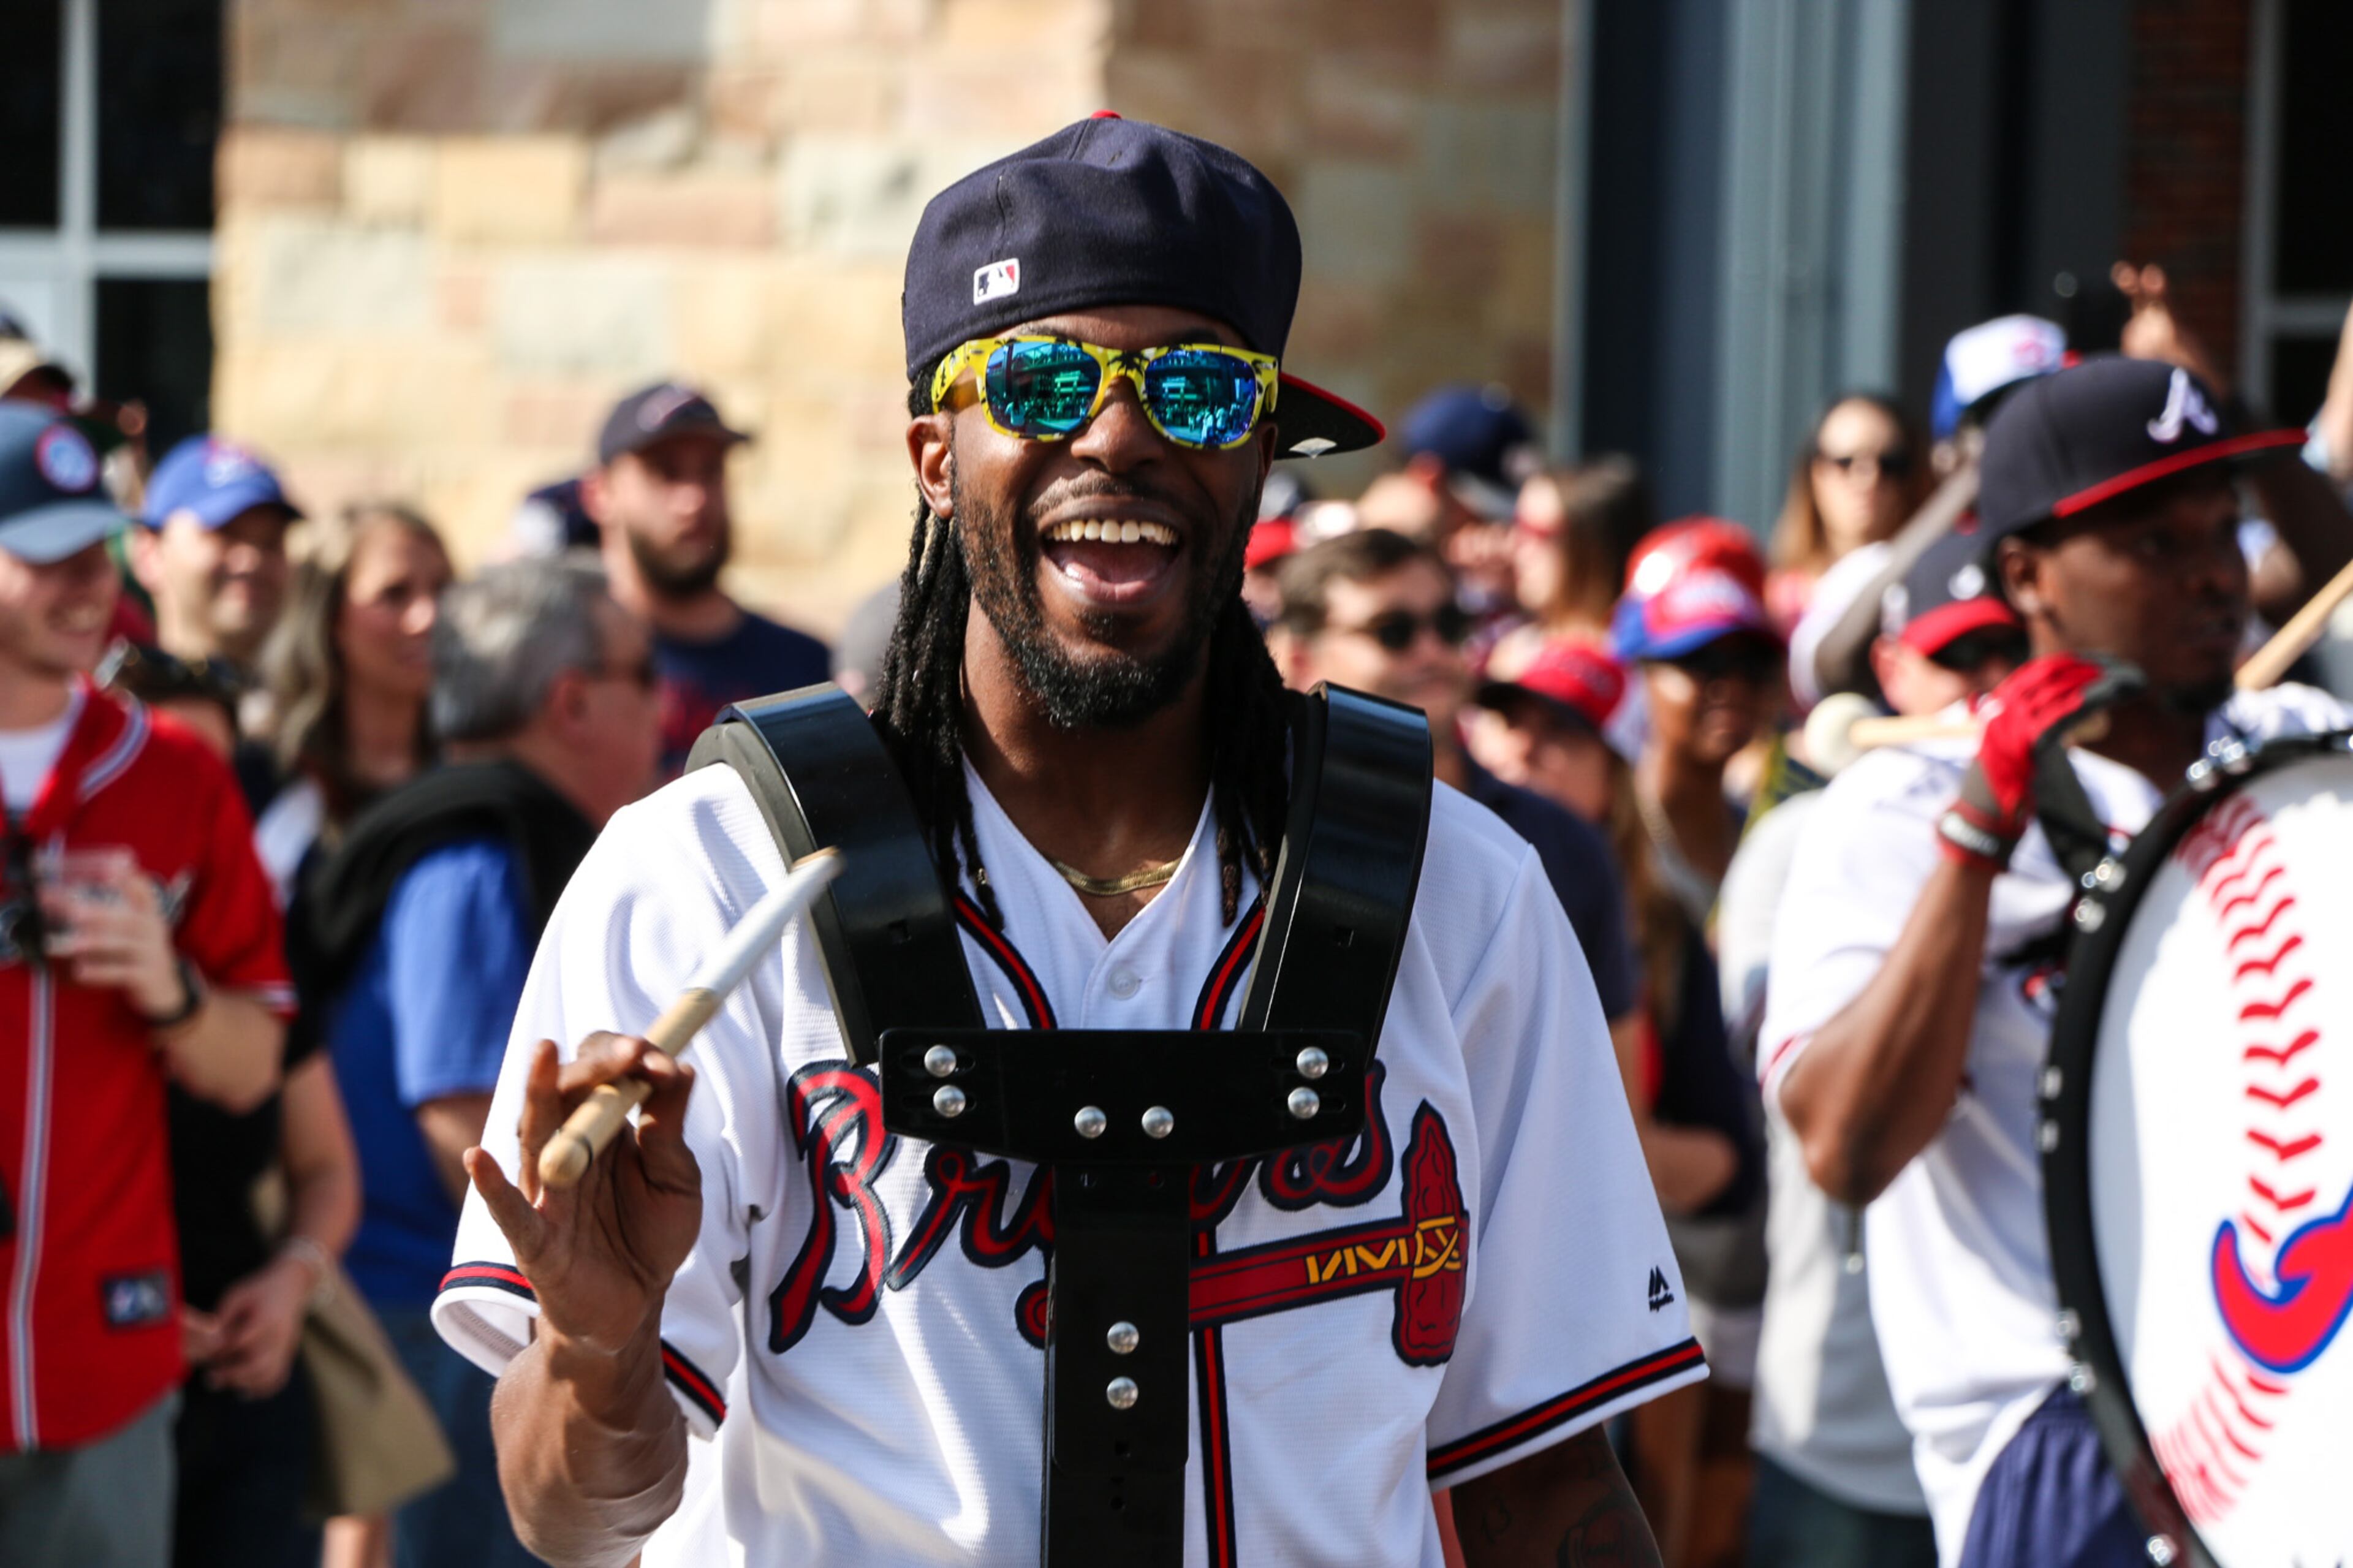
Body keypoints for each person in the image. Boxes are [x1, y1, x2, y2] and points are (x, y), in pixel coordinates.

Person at [435, 115, 1700, 1567]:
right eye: (1040, 380)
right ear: (932, 449)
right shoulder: (716, 875)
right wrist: (600, 1345)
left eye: (1199, 388)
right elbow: (576, 1510)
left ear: (1265, 451)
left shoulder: (1455, 894)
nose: (1117, 434)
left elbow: (1546, 1487)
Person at [1764, 356, 2338, 1566]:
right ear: (2027, 572)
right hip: (2066, 1435)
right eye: (2148, 537)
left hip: (2310, 1394)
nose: (2209, 569)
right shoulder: (1897, 807)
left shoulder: (2300, 756)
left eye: (2216, 525)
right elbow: (1847, 1146)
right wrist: (1979, 839)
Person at [297, 559, 657, 1568]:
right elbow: (466, 1121)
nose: (667, 700)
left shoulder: (500, 838)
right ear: (573, 700)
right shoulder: (472, 858)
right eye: (646, 669)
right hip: (439, 1319)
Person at [0, 403, 292, 1567]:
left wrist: (168, 990)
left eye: (98, 549)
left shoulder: (173, 773)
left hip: (103, 1367)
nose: (87, 584)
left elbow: (256, 1058)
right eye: (45, 553)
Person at [1725, 526, 2024, 1568]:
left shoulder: (2103, 822)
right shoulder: (1798, 841)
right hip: (1849, 1421)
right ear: (1893, 670)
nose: (1989, 690)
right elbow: (1802, 1093)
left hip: (2032, 1421)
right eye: (1960, 658)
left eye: (2013, 655)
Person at [1266, 527, 1641, 1042]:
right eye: (1393, 631)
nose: (1432, 651)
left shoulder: (1562, 843)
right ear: (1298, 658)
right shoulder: (1250, 827)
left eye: (1448, 624)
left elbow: (1612, 1083)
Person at [580, 382, 829, 775]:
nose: (694, 499)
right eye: (666, 472)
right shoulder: (572, 671)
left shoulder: (804, 673)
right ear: (599, 495)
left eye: (710, 471)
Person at [249, 502, 453, 903]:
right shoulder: (267, 780)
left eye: (443, 590)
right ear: (329, 617)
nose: (429, 615)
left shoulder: (479, 771)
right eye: (394, 594)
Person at [129, 435, 300, 680]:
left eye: (271, 542)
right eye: (225, 534)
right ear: (149, 555)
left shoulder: (326, 709)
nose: (251, 560)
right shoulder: (118, 715)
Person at [1766, 394, 1930, 632]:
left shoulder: (1933, 589)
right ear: (1815, 474)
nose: (1868, 478)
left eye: (1890, 463)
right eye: (1845, 462)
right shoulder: (1773, 606)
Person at [1488, 455, 1657, 678]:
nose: (1514, 546)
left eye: (1535, 532)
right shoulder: (1512, 655)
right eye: (1517, 526)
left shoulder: (1651, 667)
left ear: (1593, 549)